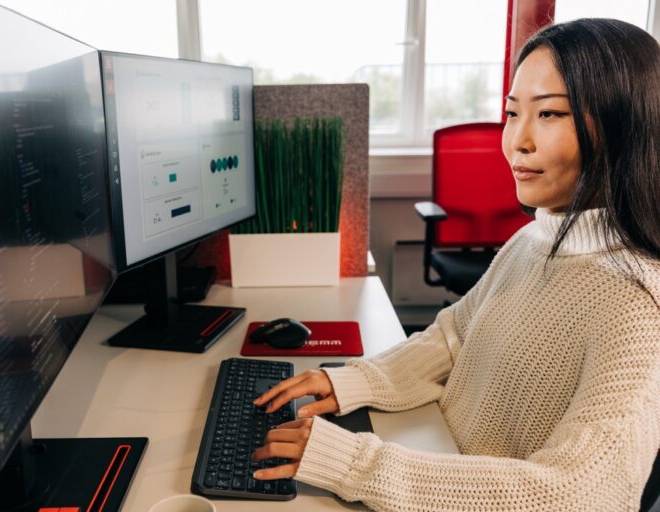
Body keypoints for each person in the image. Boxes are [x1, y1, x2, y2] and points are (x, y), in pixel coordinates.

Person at [251, 18, 660, 512]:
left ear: (623, 125)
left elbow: (578, 493)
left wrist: (354, 464)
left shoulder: (638, 308)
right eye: (512, 113)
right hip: (437, 457)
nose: (517, 141)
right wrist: (351, 380)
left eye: (550, 114)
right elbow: (455, 336)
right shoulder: (534, 239)